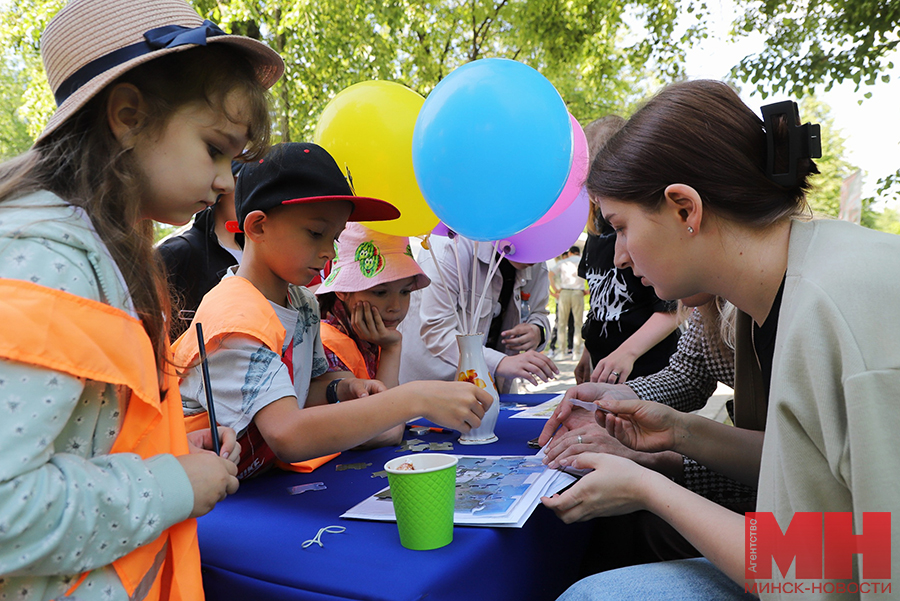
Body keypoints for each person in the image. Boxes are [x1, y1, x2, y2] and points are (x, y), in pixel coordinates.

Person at [543, 80, 900, 599]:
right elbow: (808, 481)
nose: (619, 256)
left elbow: (830, 568)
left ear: (685, 208)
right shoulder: (786, 293)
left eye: (621, 227)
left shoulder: (837, 310)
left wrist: (648, 486)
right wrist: (675, 430)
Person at [0, 1, 284, 599]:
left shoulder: (102, 254)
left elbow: (78, 434)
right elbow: (7, 508)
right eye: (215, 148)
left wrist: (177, 447)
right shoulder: (46, 263)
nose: (228, 181)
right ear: (128, 115)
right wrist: (171, 483)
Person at [174, 143, 493, 480]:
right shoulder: (235, 318)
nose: (329, 251)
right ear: (257, 227)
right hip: (204, 495)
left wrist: (339, 388)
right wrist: (415, 398)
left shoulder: (303, 303)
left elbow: (303, 388)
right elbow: (287, 434)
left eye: (336, 237)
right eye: (315, 233)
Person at [576, 116, 681, 385]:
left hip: (650, 371)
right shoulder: (595, 231)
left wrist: (627, 352)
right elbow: (598, 299)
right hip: (604, 372)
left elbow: (672, 309)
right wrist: (588, 353)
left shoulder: (645, 232)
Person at [315, 222, 431, 446]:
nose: (395, 306)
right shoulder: (325, 342)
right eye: (380, 292)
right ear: (343, 290)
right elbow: (386, 430)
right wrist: (391, 349)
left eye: (405, 291)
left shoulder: (371, 334)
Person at [399, 234, 558, 393]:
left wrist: (537, 331)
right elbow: (436, 330)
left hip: (494, 387)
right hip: (435, 384)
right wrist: (501, 362)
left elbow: (540, 313)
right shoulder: (449, 245)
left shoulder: (537, 257)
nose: (535, 258)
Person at [158, 161, 244, 338]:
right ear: (221, 189)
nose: (251, 194)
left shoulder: (254, 253)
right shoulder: (178, 252)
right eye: (242, 183)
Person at [550, 245, 587, 360]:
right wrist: (588, 290)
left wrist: (555, 290)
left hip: (564, 292)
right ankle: (576, 352)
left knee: (562, 323)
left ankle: (561, 352)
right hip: (578, 292)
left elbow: (551, 273)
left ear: (570, 253)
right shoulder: (583, 261)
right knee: (578, 323)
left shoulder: (564, 262)